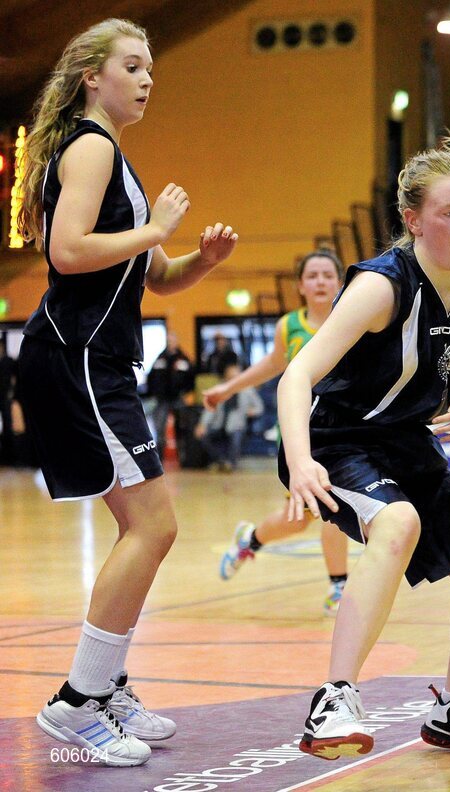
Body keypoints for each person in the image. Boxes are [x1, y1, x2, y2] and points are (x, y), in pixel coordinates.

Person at [14, 18, 238, 767]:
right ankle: (78, 701)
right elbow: (68, 251)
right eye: (133, 66)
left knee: (145, 527)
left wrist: (201, 261)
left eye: (150, 69)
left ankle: (105, 686)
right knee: (153, 525)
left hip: (99, 361)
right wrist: (155, 228)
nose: (146, 80)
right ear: (92, 76)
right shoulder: (91, 147)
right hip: (76, 358)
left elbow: (156, 277)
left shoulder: (114, 156)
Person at [278, 110, 450, 759]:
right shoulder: (381, 286)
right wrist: (301, 461)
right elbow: (297, 374)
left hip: (408, 445)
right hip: (336, 440)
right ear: (414, 220)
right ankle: (334, 702)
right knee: (397, 524)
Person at [210, 249, 351, 613]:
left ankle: (336, 584)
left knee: (329, 506)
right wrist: (228, 389)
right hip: (300, 432)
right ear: (301, 285)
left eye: (328, 275)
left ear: (340, 282)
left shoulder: (354, 319)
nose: (320, 282)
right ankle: (254, 541)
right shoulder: (289, 326)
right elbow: (272, 365)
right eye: (312, 276)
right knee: (305, 517)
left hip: (344, 428)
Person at [195, 362, 262, 470]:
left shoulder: (247, 390)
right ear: (226, 377)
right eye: (231, 377)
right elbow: (209, 409)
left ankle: (231, 463)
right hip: (218, 424)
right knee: (203, 436)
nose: (234, 380)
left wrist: (250, 411)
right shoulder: (219, 389)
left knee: (236, 437)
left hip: (237, 426)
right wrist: (202, 424)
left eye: (236, 377)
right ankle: (220, 461)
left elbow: (259, 408)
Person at [146, 331, 195, 460]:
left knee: (182, 427)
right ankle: (159, 459)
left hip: (178, 398)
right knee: (160, 428)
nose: (171, 343)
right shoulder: (160, 358)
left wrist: (185, 391)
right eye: (169, 341)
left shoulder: (183, 359)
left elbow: (192, 377)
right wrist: (154, 393)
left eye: (173, 340)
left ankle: (183, 458)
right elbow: (152, 377)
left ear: (177, 342)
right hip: (162, 399)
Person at [0, 337, 17, 464]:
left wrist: (11, 394)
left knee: (8, 426)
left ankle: (9, 456)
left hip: (5, 397)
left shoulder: (8, 361)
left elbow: (13, 379)